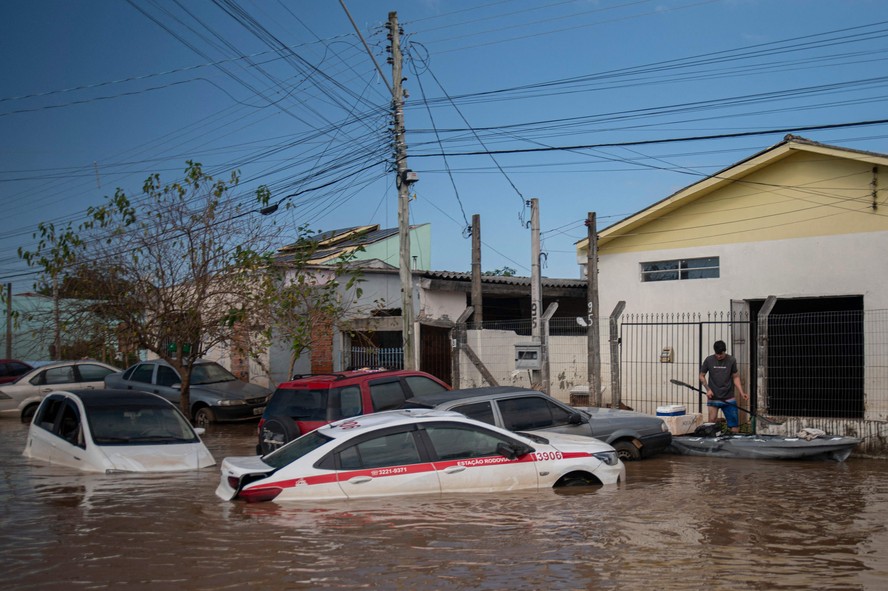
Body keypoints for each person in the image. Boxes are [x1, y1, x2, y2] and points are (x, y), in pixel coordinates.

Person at [699, 340, 748, 433]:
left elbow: (736, 377)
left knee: (734, 424)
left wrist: (742, 393)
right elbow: (701, 375)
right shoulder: (709, 360)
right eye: (717, 354)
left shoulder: (731, 360)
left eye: (721, 354)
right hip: (713, 397)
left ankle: (733, 442)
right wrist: (708, 389)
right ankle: (712, 444)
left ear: (724, 351)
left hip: (728, 397)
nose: (719, 356)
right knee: (711, 423)